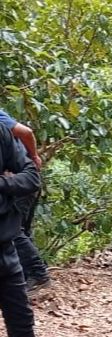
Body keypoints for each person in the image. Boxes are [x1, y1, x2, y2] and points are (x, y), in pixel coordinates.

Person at [0, 123, 82, 337]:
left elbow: (31, 176)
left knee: (21, 317)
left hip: (5, 244)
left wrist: (4, 183)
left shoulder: (1, 132)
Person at [0, 108, 49, 292]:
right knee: (21, 229)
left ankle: (38, 274)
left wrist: (34, 157)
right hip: (17, 178)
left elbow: (25, 131)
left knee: (13, 228)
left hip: (19, 177)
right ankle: (30, 273)